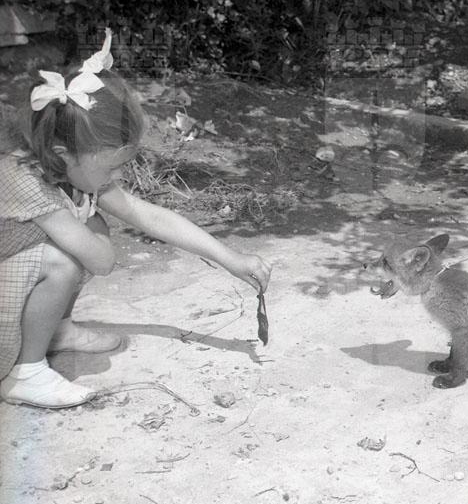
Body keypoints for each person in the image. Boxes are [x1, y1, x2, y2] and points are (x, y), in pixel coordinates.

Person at [0, 29, 272, 409]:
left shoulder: (74, 170)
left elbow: (151, 217)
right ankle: (25, 372)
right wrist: (98, 227)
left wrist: (232, 259)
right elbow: (101, 261)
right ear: (64, 154)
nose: (116, 177)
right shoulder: (21, 178)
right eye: (110, 167)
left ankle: (54, 332)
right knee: (64, 258)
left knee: (81, 234)